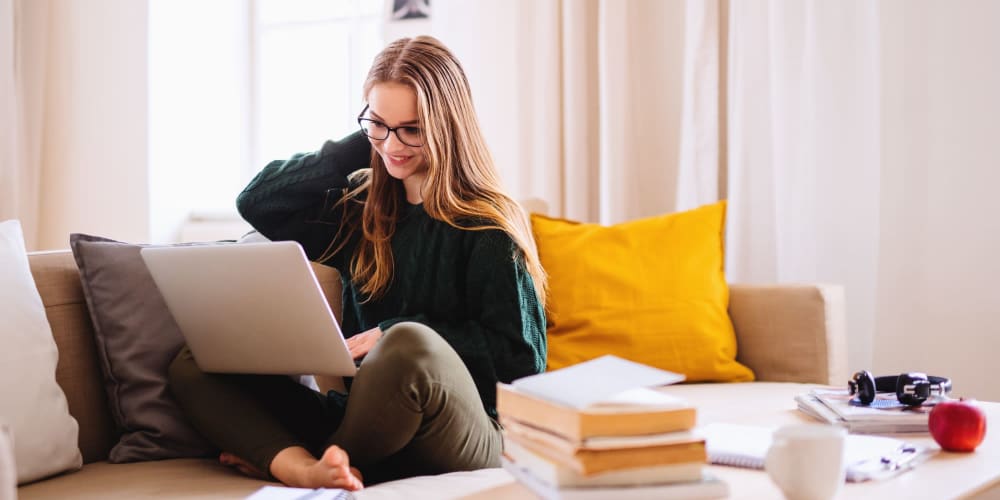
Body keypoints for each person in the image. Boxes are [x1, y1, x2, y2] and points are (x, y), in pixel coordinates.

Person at [167, 36, 548, 491]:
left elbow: (523, 363)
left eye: (412, 129)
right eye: (378, 124)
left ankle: (316, 461)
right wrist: (364, 141)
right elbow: (258, 201)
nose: (394, 145)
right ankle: (307, 467)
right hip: (366, 418)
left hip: (467, 429)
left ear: (447, 126)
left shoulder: (487, 225)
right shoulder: (359, 209)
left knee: (408, 344)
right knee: (196, 362)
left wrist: (396, 333)